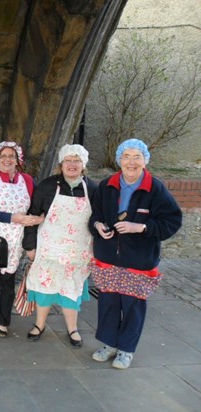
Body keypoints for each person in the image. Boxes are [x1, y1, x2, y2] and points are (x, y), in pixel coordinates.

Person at [89, 138, 182, 369]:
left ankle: (126, 350)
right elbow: (94, 216)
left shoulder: (155, 188)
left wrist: (140, 227)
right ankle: (109, 345)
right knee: (108, 303)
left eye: (136, 157)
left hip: (138, 261)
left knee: (132, 306)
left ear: (145, 160)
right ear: (119, 159)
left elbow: (172, 221)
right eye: (126, 157)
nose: (131, 162)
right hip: (108, 258)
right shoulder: (106, 185)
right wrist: (97, 226)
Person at [22, 144, 97, 347]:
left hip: (77, 252)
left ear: (83, 165)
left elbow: (98, 220)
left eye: (76, 161)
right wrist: (30, 246)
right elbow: (32, 215)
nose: (72, 165)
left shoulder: (92, 188)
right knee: (45, 289)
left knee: (71, 290)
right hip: (48, 250)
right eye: (68, 161)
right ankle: (39, 324)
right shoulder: (47, 186)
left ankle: (72, 329)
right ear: (61, 164)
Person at [0, 142, 42, 337]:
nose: (7, 160)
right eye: (3, 156)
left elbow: (36, 207)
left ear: (18, 160)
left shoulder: (28, 181)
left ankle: (3, 321)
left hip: (15, 239)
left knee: (7, 281)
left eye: (11, 156)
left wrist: (39, 218)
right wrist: (13, 218)